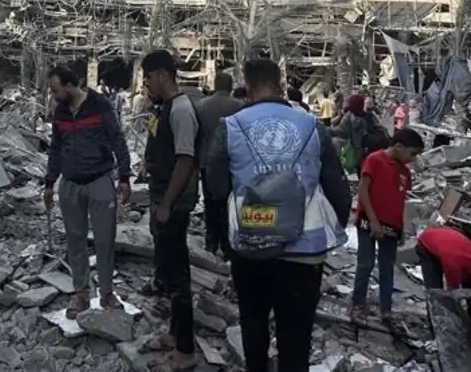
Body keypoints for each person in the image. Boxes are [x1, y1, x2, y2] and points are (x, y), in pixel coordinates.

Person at [206, 58, 350, 372]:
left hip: (251, 245)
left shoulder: (230, 126)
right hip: (304, 250)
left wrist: (224, 238)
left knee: (253, 326)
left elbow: (216, 189)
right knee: (296, 339)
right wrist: (331, 233)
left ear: (247, 86)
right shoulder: (312, 126)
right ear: (281, 85)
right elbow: (338, 189)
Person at [43, 67, 133, 318]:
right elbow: (56, 148)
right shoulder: (60, 112)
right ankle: (81, 295)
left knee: (105, 241)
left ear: (69, 85)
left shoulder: (100, 105)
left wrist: (124, 177)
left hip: (99, 180)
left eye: (56, 90)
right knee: (75, 242)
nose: (53, 95)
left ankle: (107, 293)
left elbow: (117, 139)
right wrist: (49, 183)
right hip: (70, 183)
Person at [139, 50, 200, 369]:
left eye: (148, 77)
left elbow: (186, 160)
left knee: (177, 275)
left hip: (173, 202)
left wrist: (166, 204)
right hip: (163, 196)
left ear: (163, 74)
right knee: (168, 268)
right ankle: (175, 334)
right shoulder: (164, 108)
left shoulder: (181, 109)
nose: (147, 83)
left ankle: (186, 351)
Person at [350, 128, 425, 327]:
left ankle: (386, 310)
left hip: (392, 227)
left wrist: (402, 228)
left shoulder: (404, 172)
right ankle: (358, 305)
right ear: (399, 147)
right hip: (368, 222)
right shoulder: (374, 160)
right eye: (412, 153)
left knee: (387, 268)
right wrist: (373, 220)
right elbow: (363, 191)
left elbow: (400, 200)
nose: (413, 159)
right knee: (365, 264)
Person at [194, 72, 244, 256]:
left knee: (210, 203)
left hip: (207, 161)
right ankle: (228, 243)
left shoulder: (201, 106)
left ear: (215, 85)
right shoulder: (240, 107)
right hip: (232, 163)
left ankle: (211, 242)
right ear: (231, 86)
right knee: (230, 203)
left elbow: (197, 135)